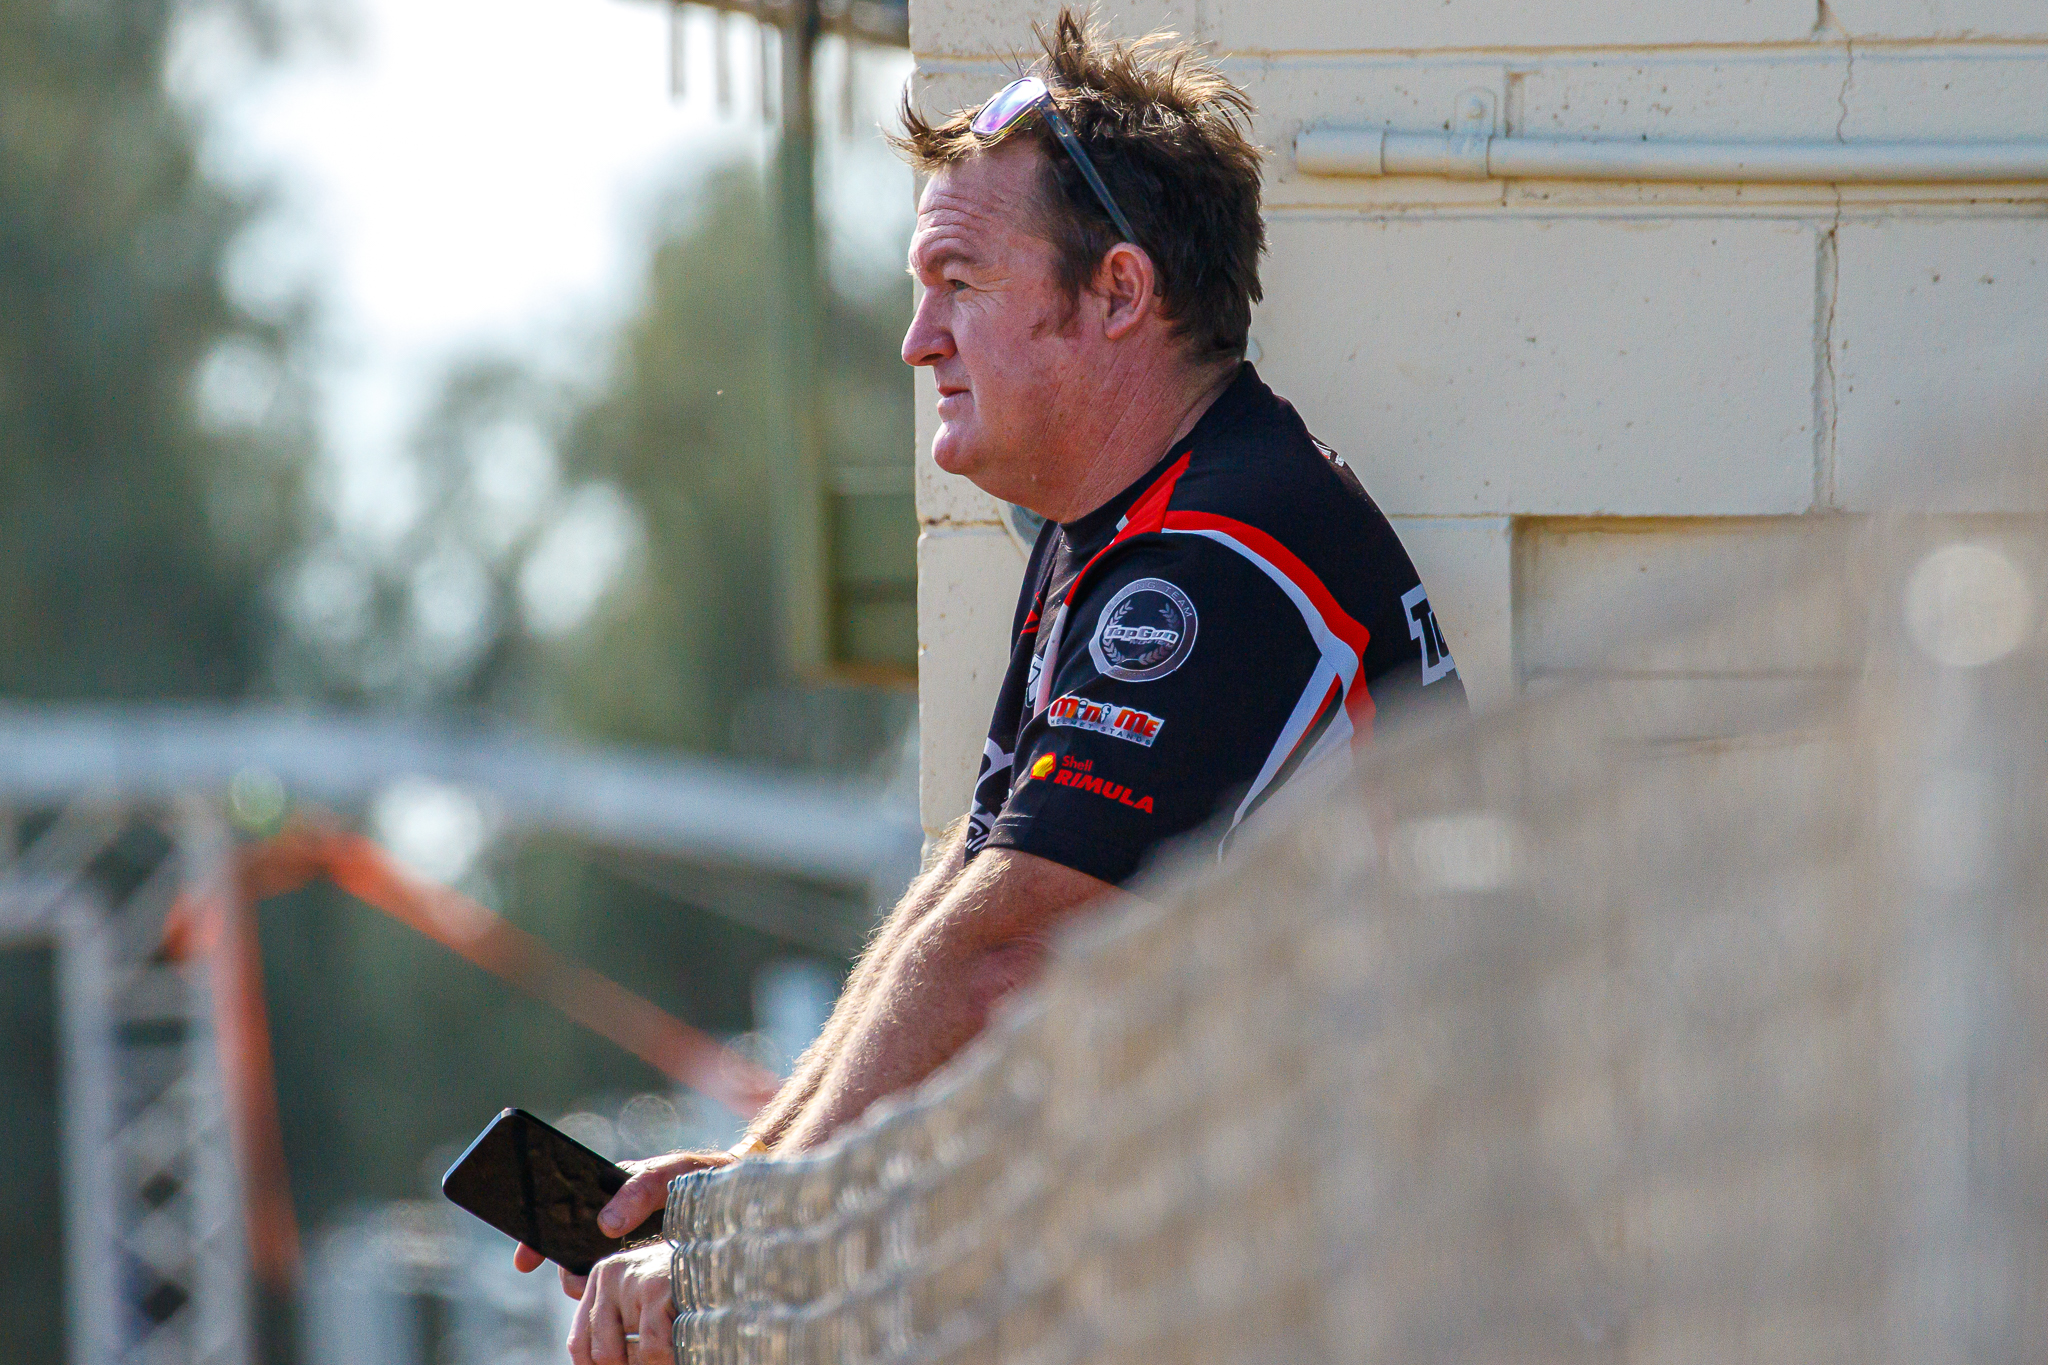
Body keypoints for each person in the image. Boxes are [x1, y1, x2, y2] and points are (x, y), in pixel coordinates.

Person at [536, 11, 1466, 1360]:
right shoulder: (1120, 533)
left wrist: (745, 1242)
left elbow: (1002, 955)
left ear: (1119, 293)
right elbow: (969, 886)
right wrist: (748, 1174)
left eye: (958, 282)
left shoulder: (1214, 561)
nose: (918, 340)